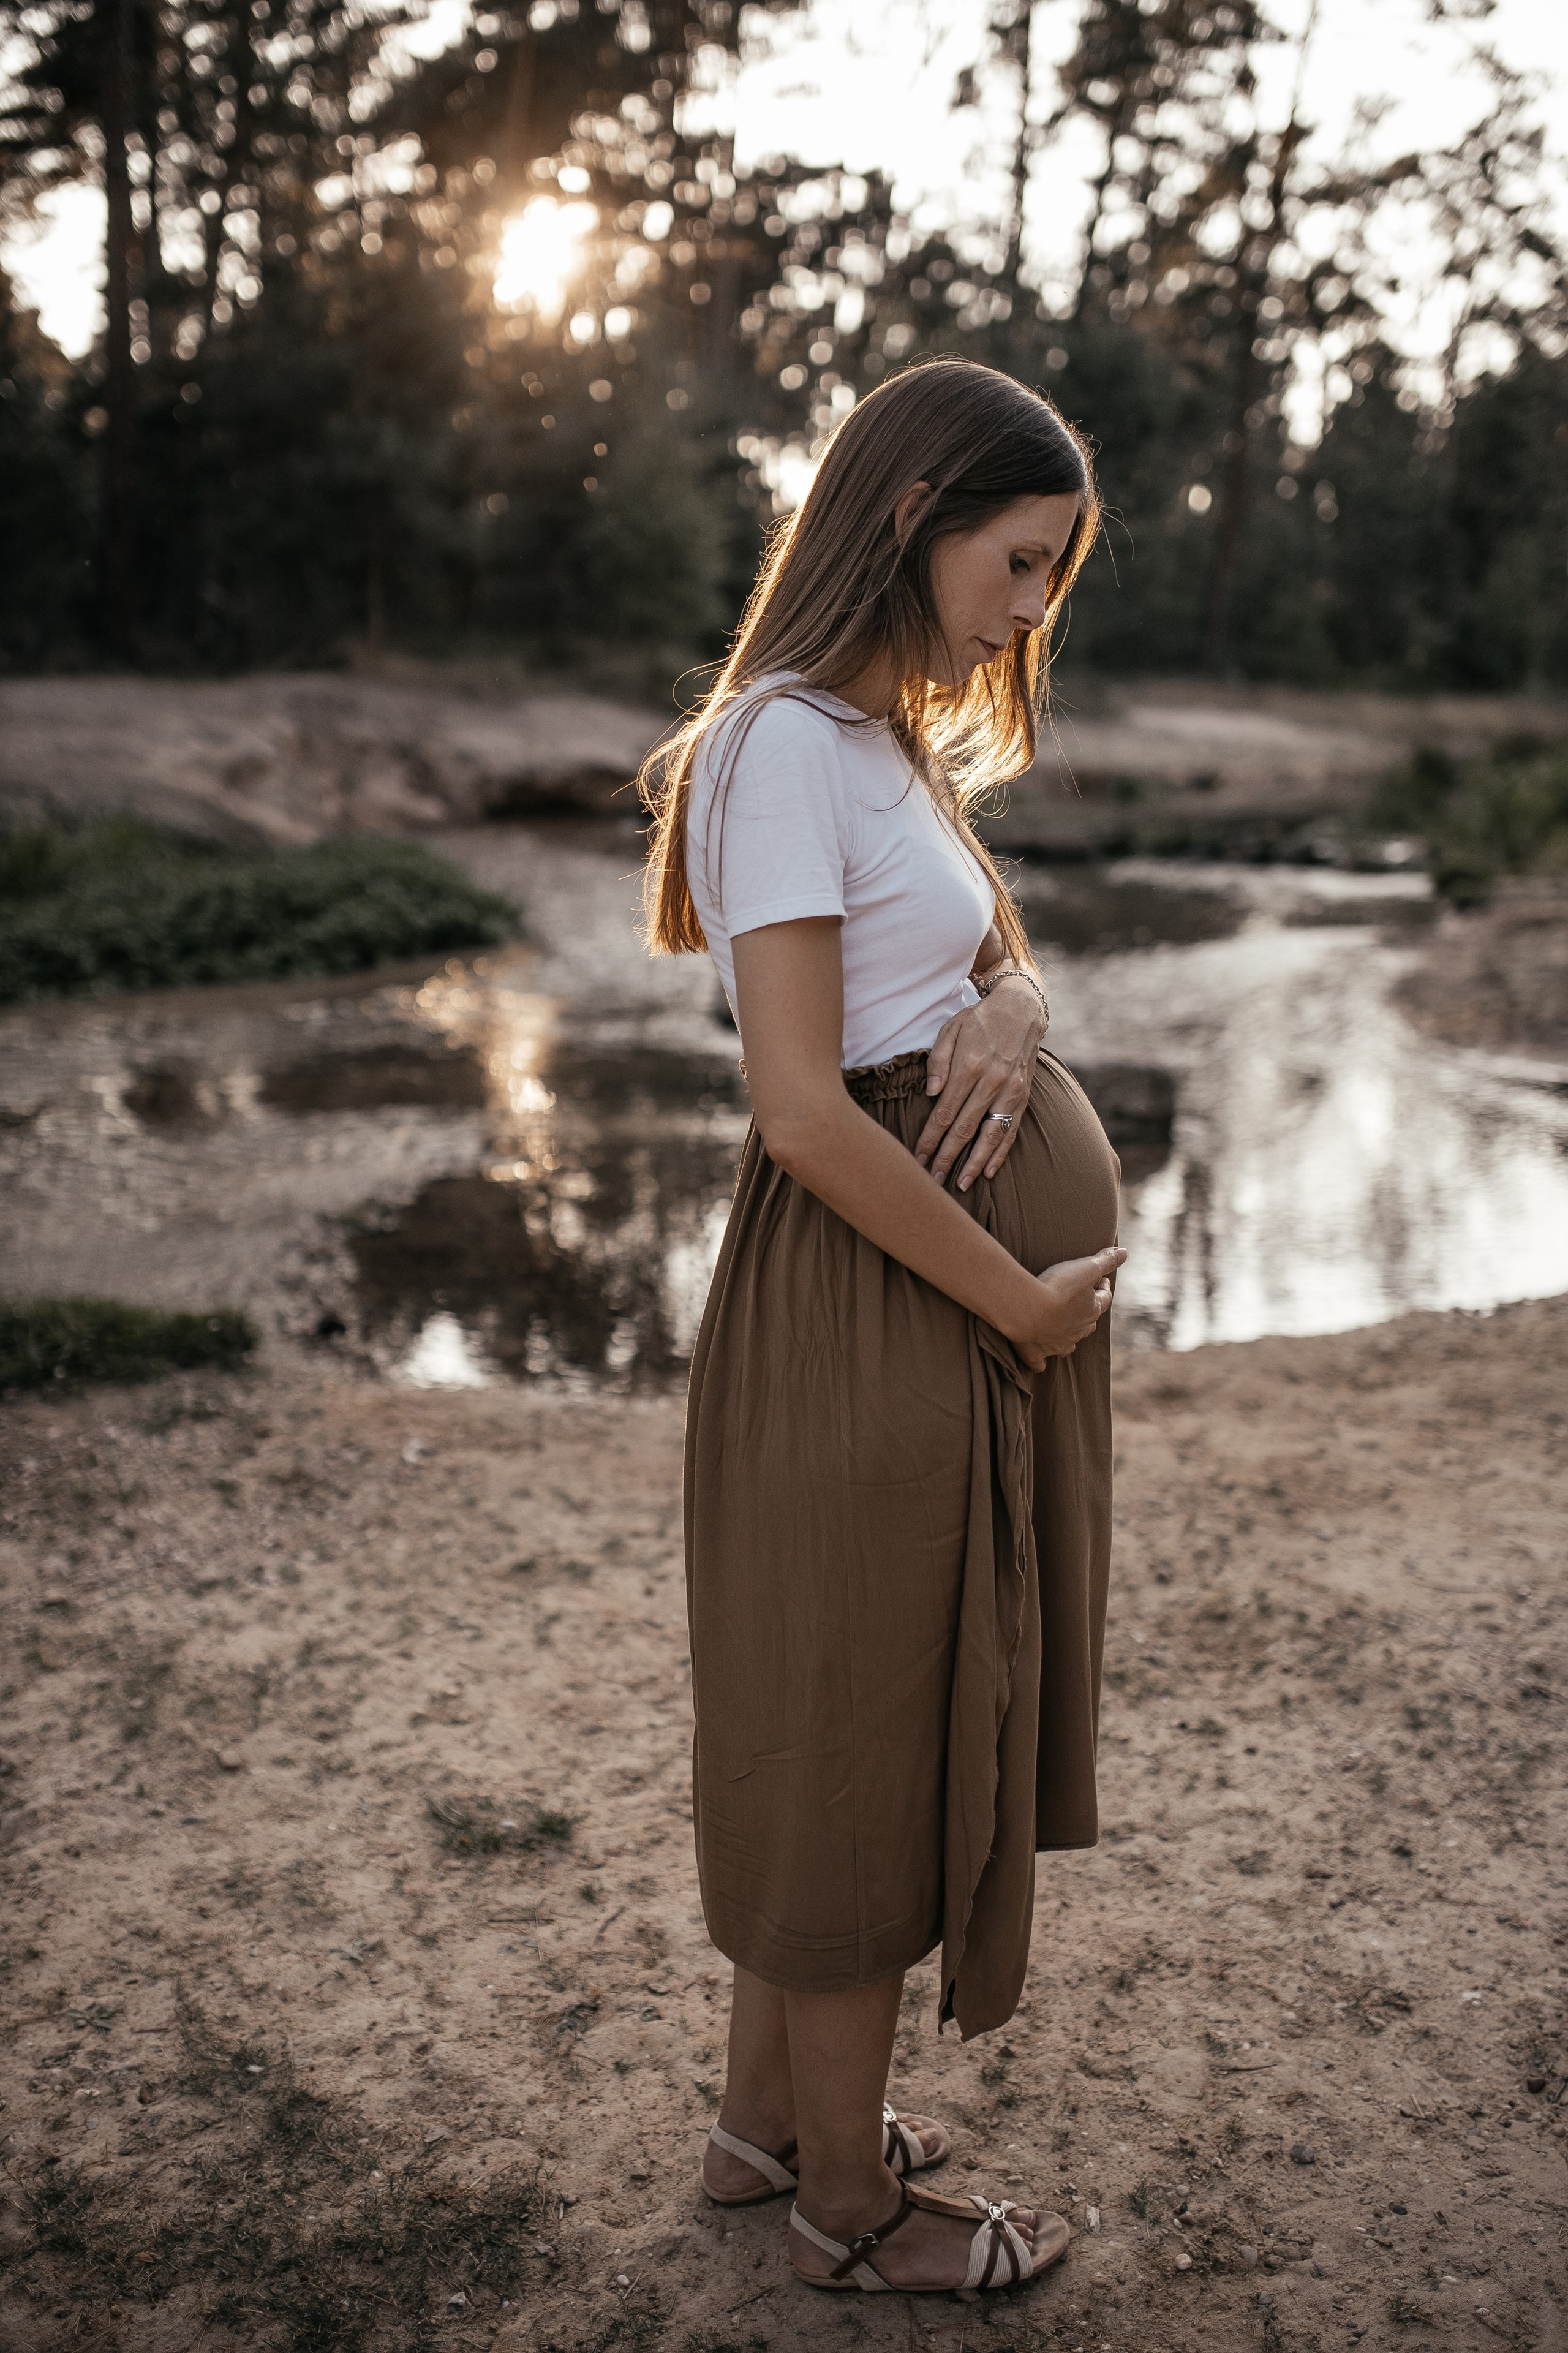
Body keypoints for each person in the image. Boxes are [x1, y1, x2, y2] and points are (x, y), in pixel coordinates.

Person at [641, 357, 1124, 2297]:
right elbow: (803, 1109)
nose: (1031, 608)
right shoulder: (776, 744)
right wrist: (1017, 1303)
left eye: (1053, 572)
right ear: (915, 511)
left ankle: (762, 2128)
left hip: (927, 1308)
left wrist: (1016, 1007)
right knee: (845, 1736)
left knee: (844, 1708)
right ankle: (848, 2208)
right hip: (877, 1302)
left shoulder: (881, 740)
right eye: (1021, 561)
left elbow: (987, 954)